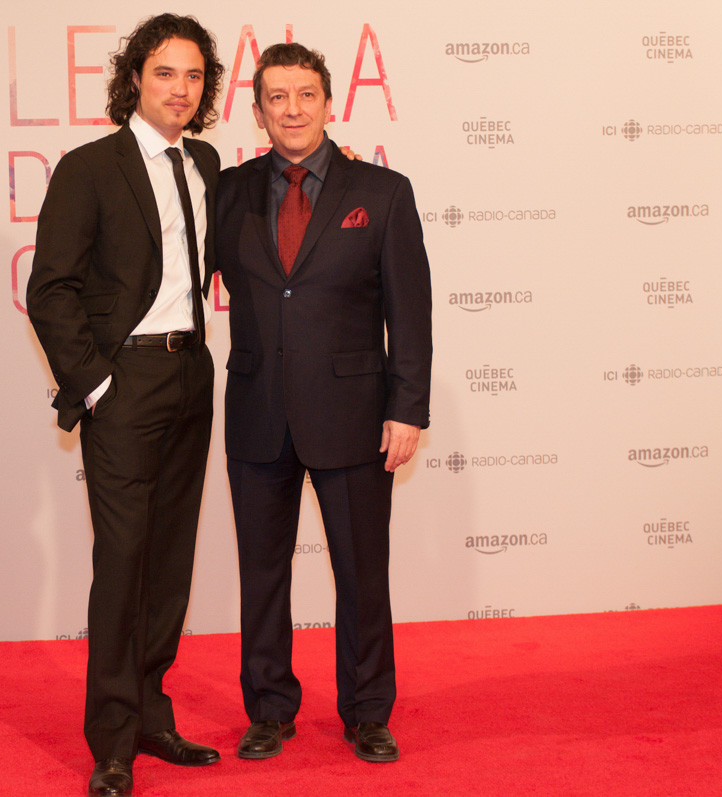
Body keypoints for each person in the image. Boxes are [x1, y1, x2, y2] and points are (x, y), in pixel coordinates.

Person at [25, 13, 224, 797]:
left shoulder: (205, 161)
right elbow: (50, 289)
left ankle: (150, 714)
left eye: (194, 75)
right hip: (127, 381)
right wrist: (99, 383)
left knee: (169, 561)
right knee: (122, 561)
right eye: (165, 72)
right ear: (135, 77)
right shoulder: (89, 168)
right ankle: (111, 741)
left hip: (192, 375)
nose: (181, 89)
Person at [216, 42, 432, 764]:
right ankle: (268, 709)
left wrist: (408, 407)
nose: (293, 109)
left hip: (354, 416)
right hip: (256, 412)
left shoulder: (383, 191)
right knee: (261, 574)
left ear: (329, 103)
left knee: (363, 574)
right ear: (258, 112)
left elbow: (411, 312)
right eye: (276, 97)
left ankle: (368, 711)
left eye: (305, 94)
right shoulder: (228, 191)